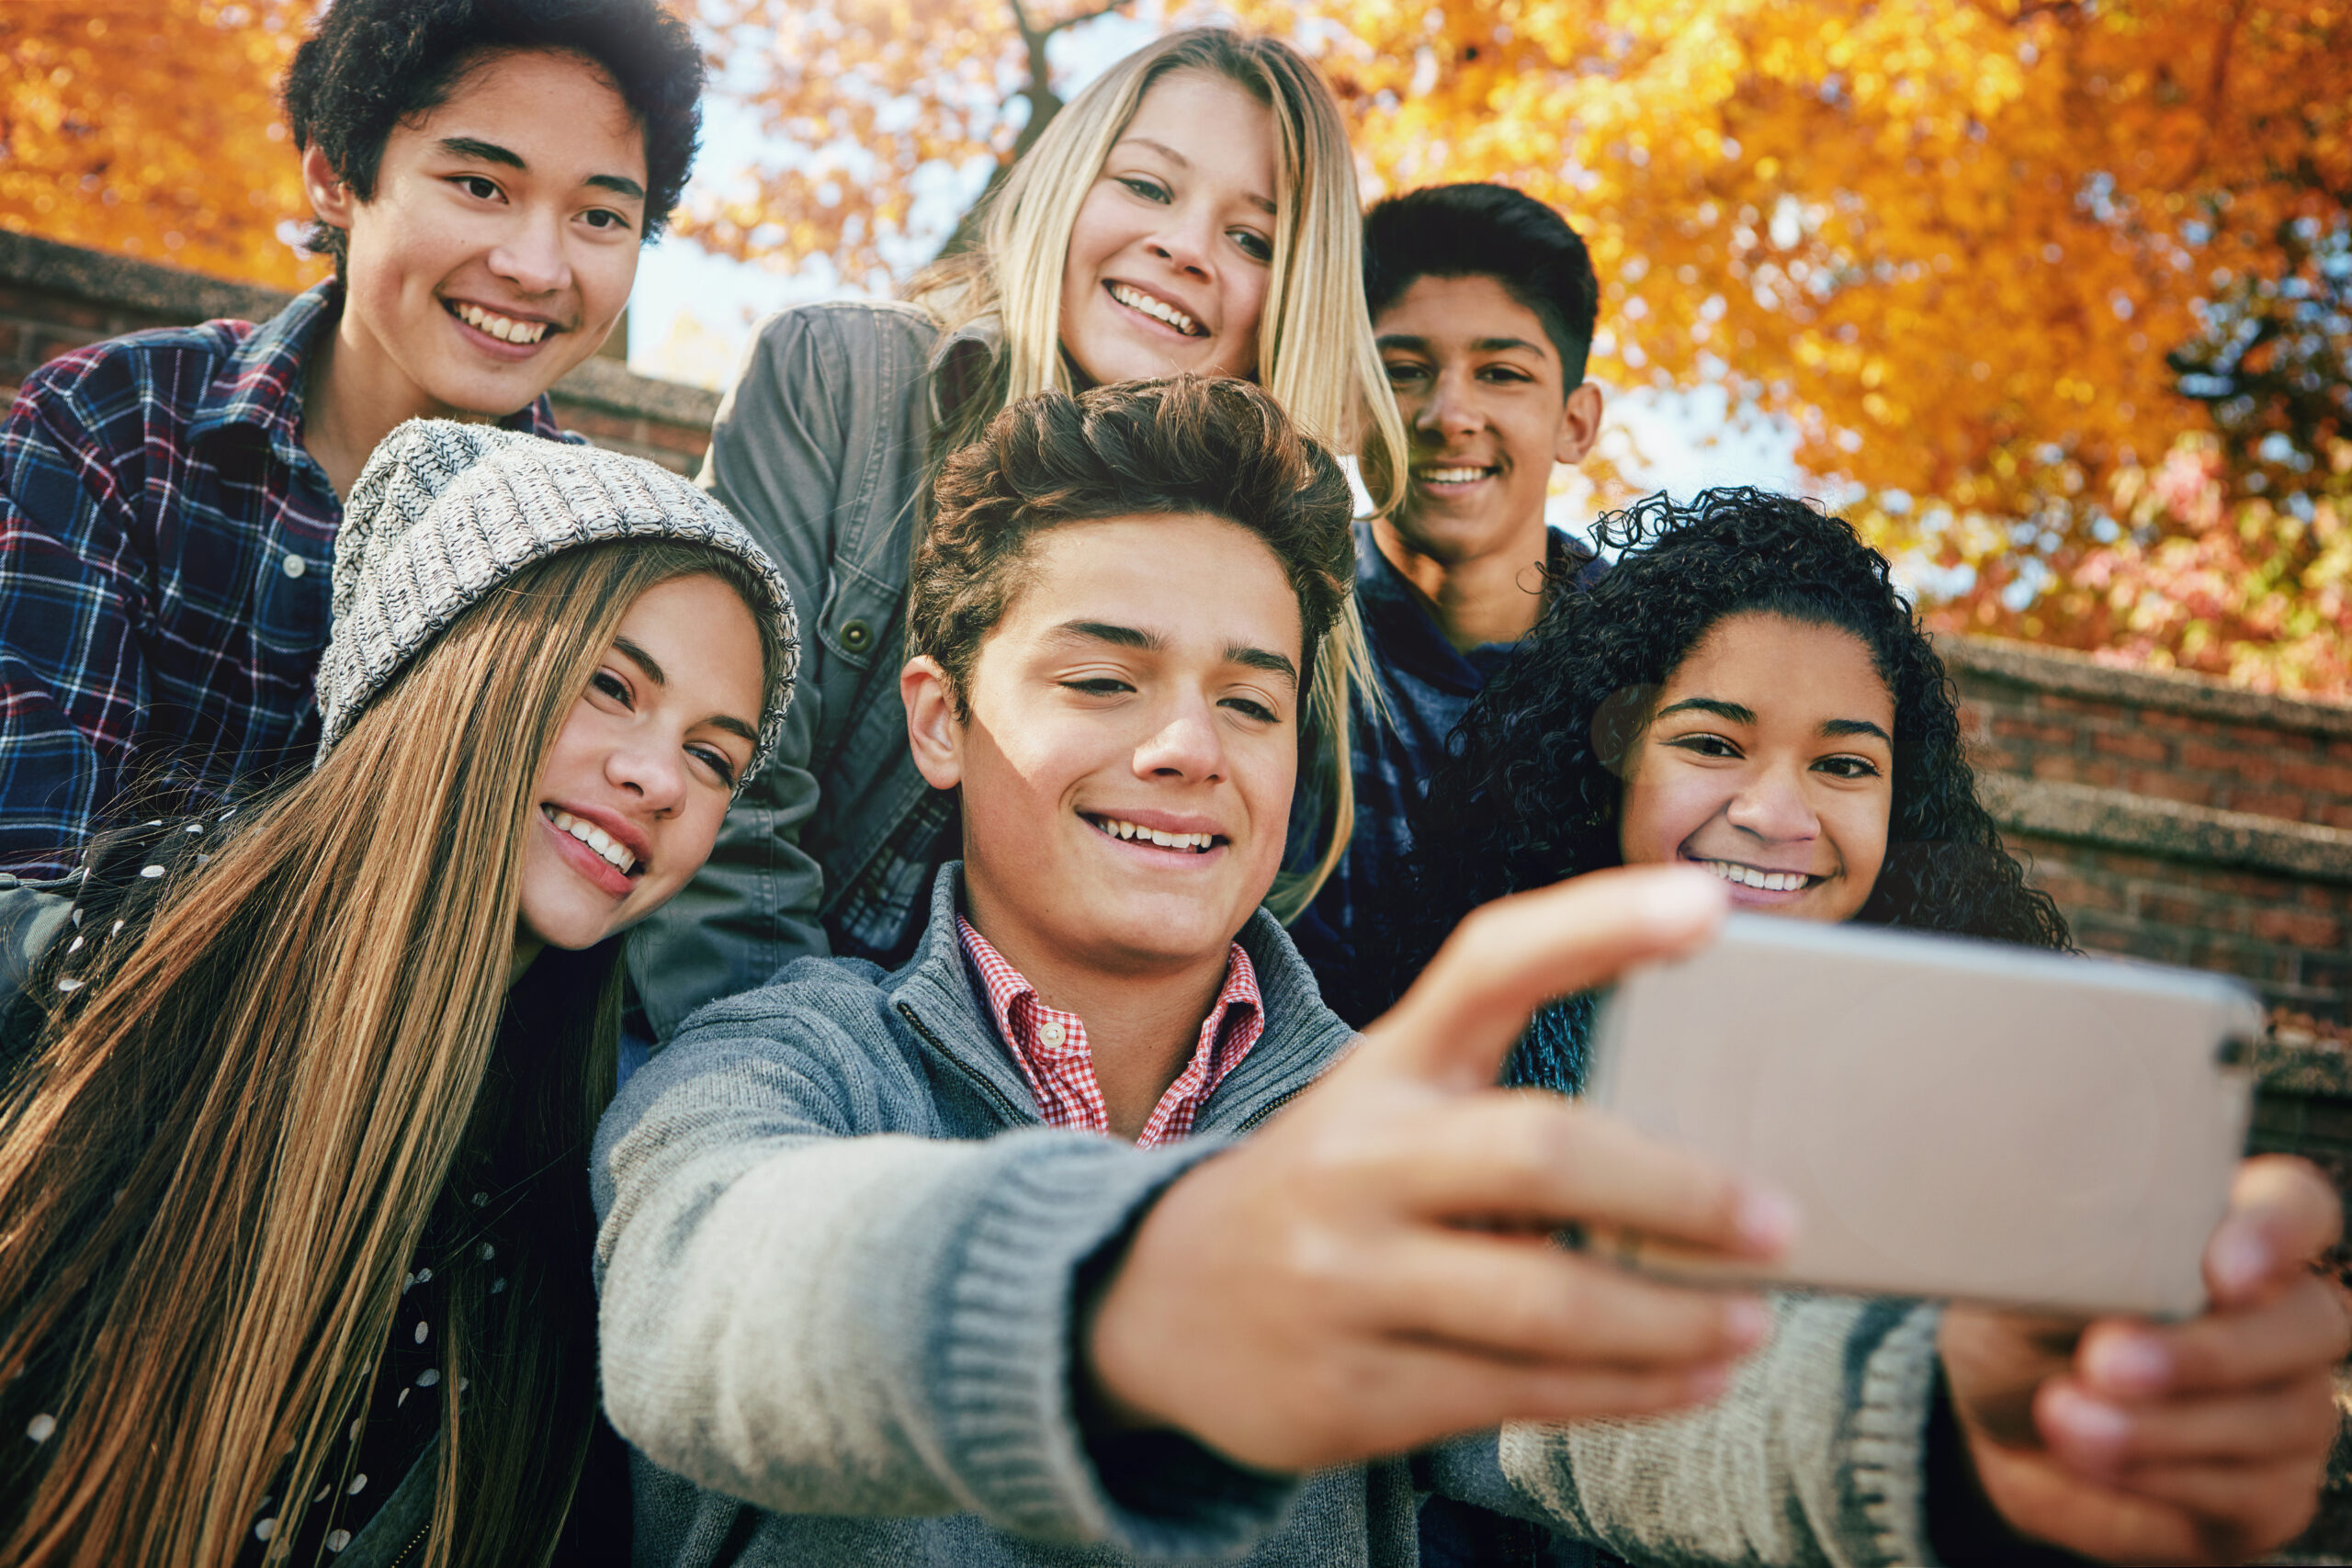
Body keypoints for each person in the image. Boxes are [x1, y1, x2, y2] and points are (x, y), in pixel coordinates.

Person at [594, 380, 2347, 1568]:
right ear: (939, 721)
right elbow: (706, 1291)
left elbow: (1609, 1393)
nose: (1190, 748)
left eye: (1255, 698)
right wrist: (1152, 1290)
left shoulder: (1386, 1118)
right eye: (1105, 679)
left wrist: (1948, 1424)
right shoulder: (783, 1060)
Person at [0, 425, 797, 1568]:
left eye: (716, 757)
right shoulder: (65, 989)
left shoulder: (564, 1224)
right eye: (611, 687)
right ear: (439, 668)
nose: (662, 780)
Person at [626, 26, 1411, 1039]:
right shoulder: (843, 382)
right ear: (1066, 187)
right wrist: (791, 1092)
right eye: (1146, 186)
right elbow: (727, 792)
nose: (1184, 247)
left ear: (1289, 300)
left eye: (1252, 239)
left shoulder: (1283, 569)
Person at [0, 0, 705, 878]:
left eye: (600, 216)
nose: (537, 267)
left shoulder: (603, 556)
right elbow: (26, 868)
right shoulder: (117, 424)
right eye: (482, 187)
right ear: (336, 178)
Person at [1399, 486, 2073, 1089]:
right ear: (1607, 768)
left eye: (1843, 764)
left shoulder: (1989, 1085)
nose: (1776, 818)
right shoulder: (1447, 1063)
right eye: (1713, 745)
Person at [1284, 183, 1610, 1026]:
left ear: (1576, 422)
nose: (1448, 414)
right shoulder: (1278, 623)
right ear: (1354, 405)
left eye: (1501, 373)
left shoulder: (1660, 661)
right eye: (1404, 372)